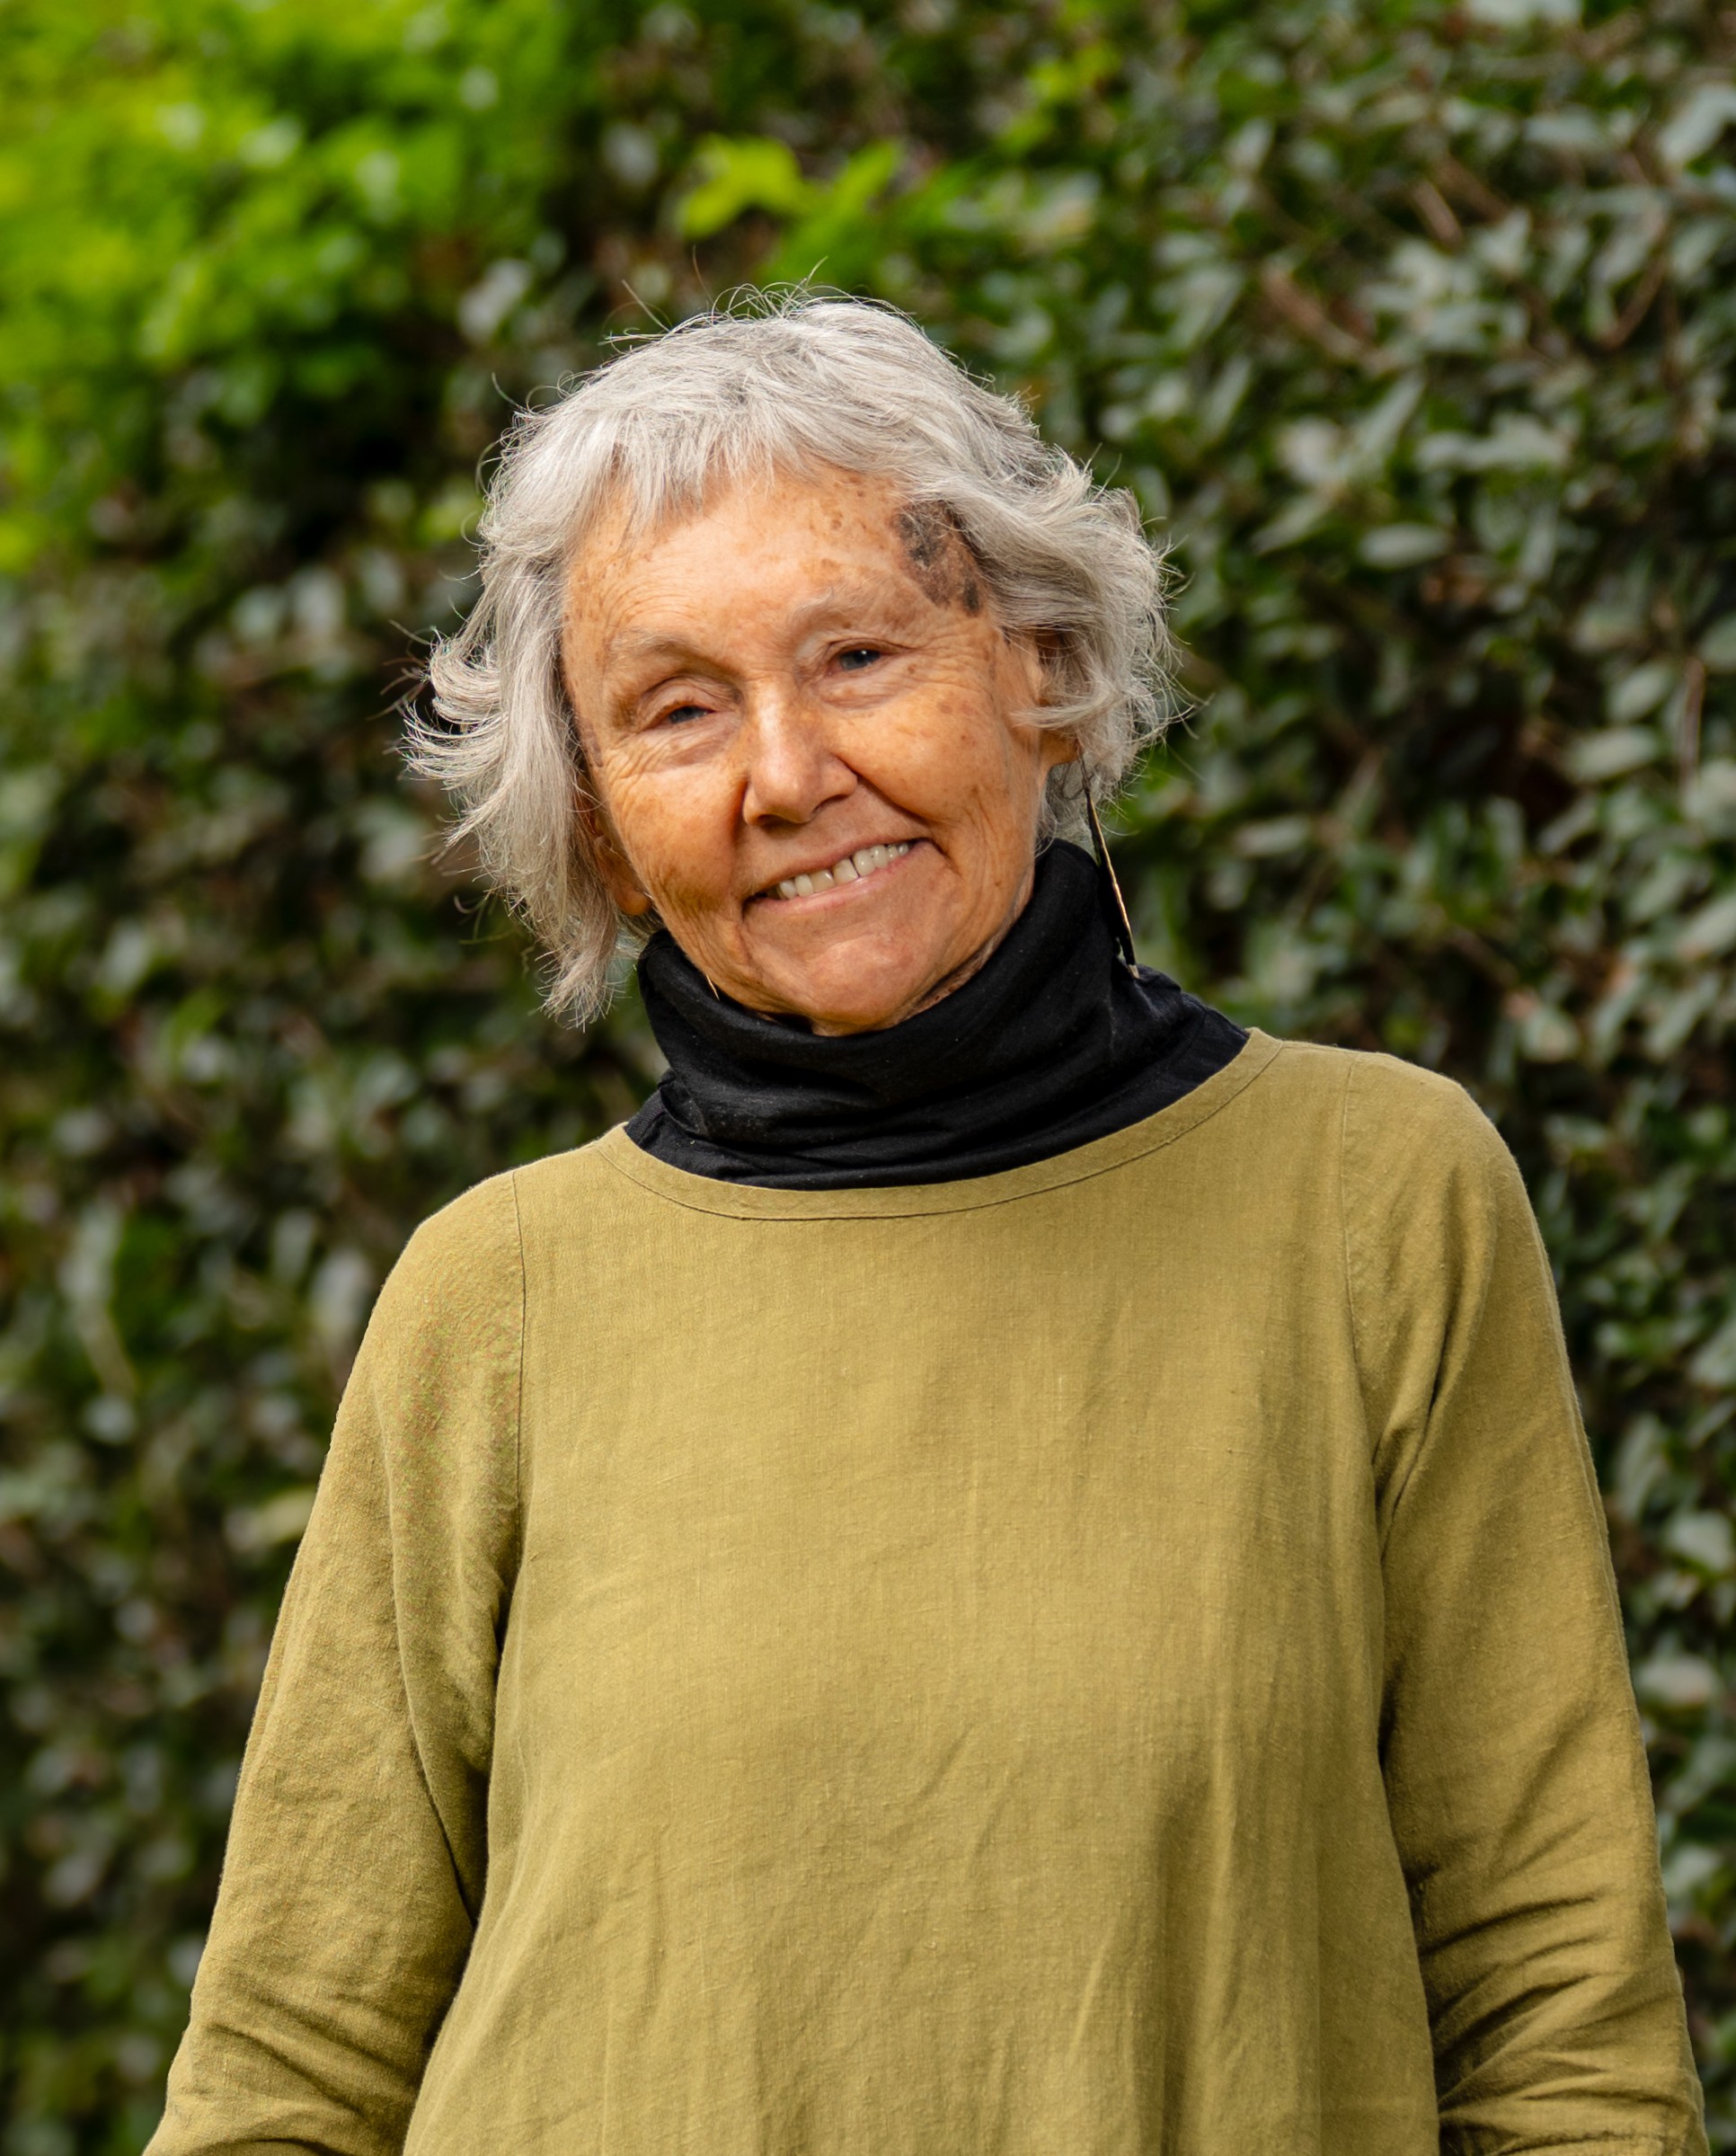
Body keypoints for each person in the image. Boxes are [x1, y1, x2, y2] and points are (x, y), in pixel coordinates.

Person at [149, 296, 1706, 2156]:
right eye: (677, 707)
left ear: (1039, 662)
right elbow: (284, 2081)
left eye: (861, 655)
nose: (787, 772)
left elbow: (1566, 2038)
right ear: (594, 817)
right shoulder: (496, 1301)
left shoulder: (1378, 1204)